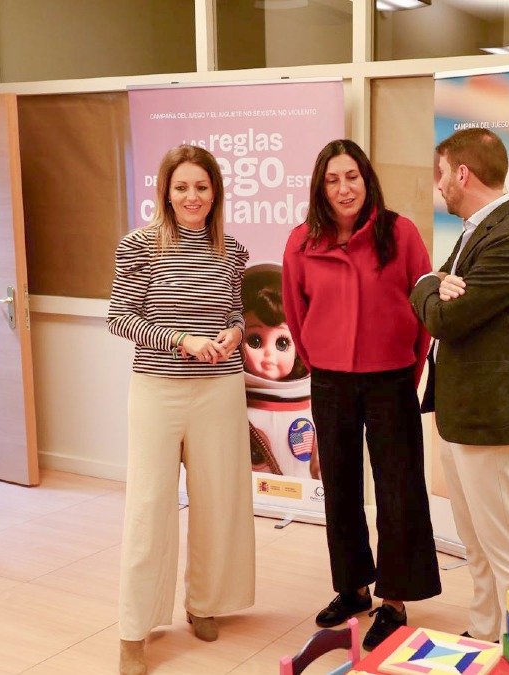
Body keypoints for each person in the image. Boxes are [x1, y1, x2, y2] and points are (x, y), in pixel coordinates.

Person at [282, 139, 441, 650]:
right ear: (320, 188)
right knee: (342, 487)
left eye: (351, 176)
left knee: (399, 489)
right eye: (333, 180)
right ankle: (353, 589)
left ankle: (394, 598)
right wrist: (320, 360)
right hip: (330, 378)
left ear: (366, 180)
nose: (344, 188)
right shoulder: (302, 242)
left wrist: (407, 370)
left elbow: (425, 310)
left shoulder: (401, 234)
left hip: (390, 378)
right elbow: (296, 311)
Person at [107, 144, 254, 675]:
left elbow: (236, 314)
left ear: (215, 193)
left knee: (218, 503)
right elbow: (120, 318)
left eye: (202, 187)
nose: (192, 197)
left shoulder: (231, 250)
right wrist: (182, 341)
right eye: (182, 187)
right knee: (149, 508)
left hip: (219, 389)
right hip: (157, 391)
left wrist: (231, 334)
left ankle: (203, 603)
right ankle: (133, 630)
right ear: (166, 192)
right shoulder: (139, 246)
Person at [410, 127, 509, 643]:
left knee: (504, 545)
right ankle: (483, 631)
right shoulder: (478, 230)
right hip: (460, 410)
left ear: (462, 173)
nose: (438, 185)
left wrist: (429, 291)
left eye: (441, 173)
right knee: (474, 539)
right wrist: (430, 286)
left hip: (487, 417)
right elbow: (429, 282)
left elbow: (446, 320)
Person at [241, 263, 317, 479]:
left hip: (302, 505)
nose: (269, 356)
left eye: (282, 343)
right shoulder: (232, 410)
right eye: (255, 340)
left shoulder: (311, 410)